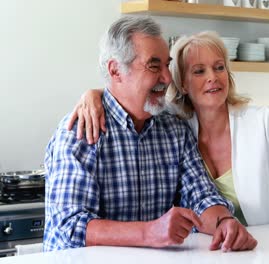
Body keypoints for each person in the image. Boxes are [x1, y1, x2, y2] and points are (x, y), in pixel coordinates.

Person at [69, 31, 269, 226]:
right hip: (202, 252)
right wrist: (93, 95)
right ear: (181, 82)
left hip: (264, 245)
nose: (213, 78)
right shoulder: (171, 125)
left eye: (219, 67)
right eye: (199, 71)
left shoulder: (259, 120)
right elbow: (130, 96)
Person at [44, 17, 257, 252]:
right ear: (115, 71)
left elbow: (201, 196)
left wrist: (224, 222)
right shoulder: (81, 131)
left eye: (167, 65)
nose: (167, 78)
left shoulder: (173, 129)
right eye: (154, 66)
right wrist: (149, 231)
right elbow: (70, 226)